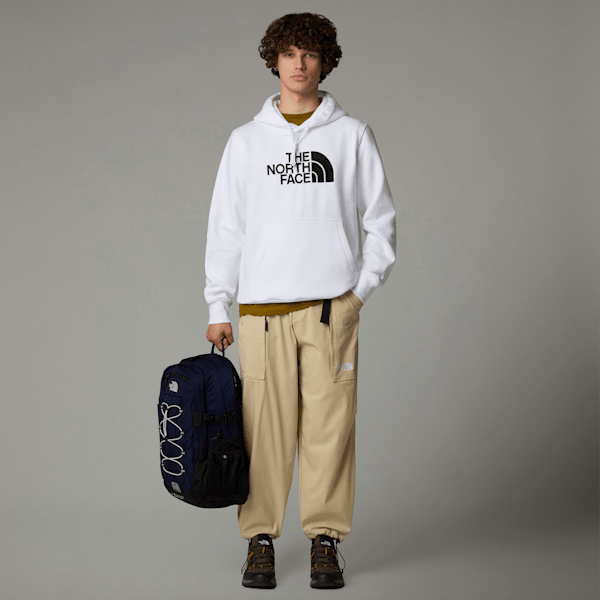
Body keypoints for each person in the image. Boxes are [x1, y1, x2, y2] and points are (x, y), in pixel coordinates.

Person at [204, 12, 396, 589]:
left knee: (329, 429)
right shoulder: (245, 141)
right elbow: (226, 228)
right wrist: (218, 305)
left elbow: (381, 222)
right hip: (262, 314)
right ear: (275, 60)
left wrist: (358, 294)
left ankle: (325, 541)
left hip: (330, 311)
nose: (299, 64)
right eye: (289, 53)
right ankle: (259, 540)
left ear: (324, 62)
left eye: (310, 54)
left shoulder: (351, 135)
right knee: (261, 431)